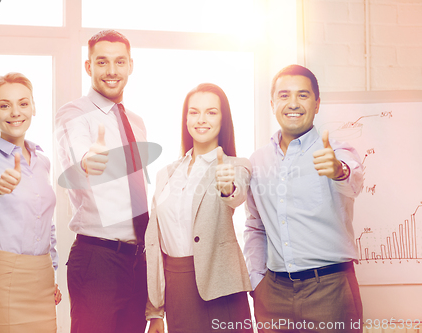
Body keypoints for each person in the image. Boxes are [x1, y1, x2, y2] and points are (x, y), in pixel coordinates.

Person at [243, 64, 364, 333]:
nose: (293, 103)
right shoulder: (258, 161)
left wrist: (338, 170)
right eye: (284, 95)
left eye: (303, 95)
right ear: (273, 103)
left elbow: (353, 177)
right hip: (272, 294)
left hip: (330, 290)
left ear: (317, 103)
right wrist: (256, 281)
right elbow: (255, 226)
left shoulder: (336, 150)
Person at [55, 30, 148, 333]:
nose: (111, 71)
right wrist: (87, 159)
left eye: (119, 62)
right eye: (102, 62)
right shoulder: (74, 113)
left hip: (137, 261)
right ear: (88, 67)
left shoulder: (136, 121)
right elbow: (78, 149)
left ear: (130, 65)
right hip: (97, 260)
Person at [146, 83, 253, 333]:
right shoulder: (166, 174)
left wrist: (227, 187)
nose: (201, 119)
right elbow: (154, 243)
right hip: (176, 288)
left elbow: (236, 194)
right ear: (186, 119)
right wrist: (155, 310)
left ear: (223, 119)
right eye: (194, 112)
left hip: (221, 288)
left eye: (211, 112)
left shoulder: (236, 166)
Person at [0, 72, 61, 333]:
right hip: (3, 280)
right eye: (4, 105)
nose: (15, 112)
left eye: (23, 103)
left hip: (42, 281)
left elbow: (46, 224)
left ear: (33, 107)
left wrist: (50, 272)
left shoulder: (42, 161)